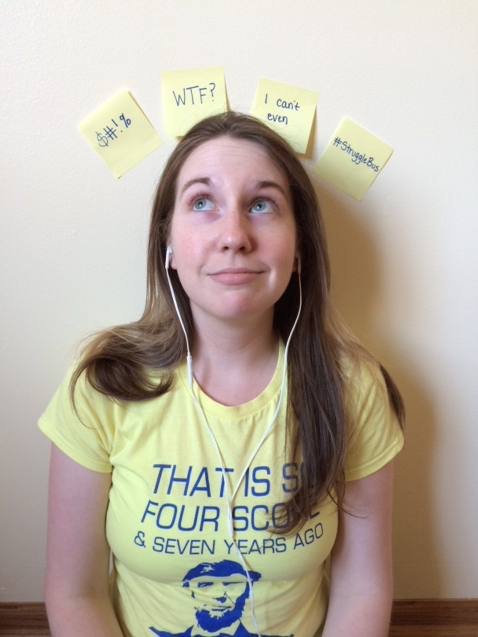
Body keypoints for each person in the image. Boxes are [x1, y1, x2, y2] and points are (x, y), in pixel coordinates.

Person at [39, 111, 404, 637]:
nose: (234, 235)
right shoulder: (102, 384)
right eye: (202, 202)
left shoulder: (353, 388)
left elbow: (362, 590)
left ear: (299, 248)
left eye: (261, 204)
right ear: (168, 243)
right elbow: (76, 593)